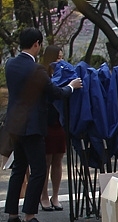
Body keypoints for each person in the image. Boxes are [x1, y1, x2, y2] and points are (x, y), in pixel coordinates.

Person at [4, 28, 82, 222]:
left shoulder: (10, 64)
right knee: (38, 170)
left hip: (14, 124)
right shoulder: (37, 70)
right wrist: (72, 86)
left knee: (19, 168)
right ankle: (30, 216)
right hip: (32, 126)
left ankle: (13, 215)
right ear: (37, 44)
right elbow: (56, 92)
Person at [39, 44, 67, 212]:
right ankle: (43, 195)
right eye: (57, 58)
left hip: (60, 123)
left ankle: (55, 195)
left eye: (62, 57)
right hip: (47, 123)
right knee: (46, 160)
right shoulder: (43, 76)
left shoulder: (64, 75)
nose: (60, 61)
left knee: (58, 159)